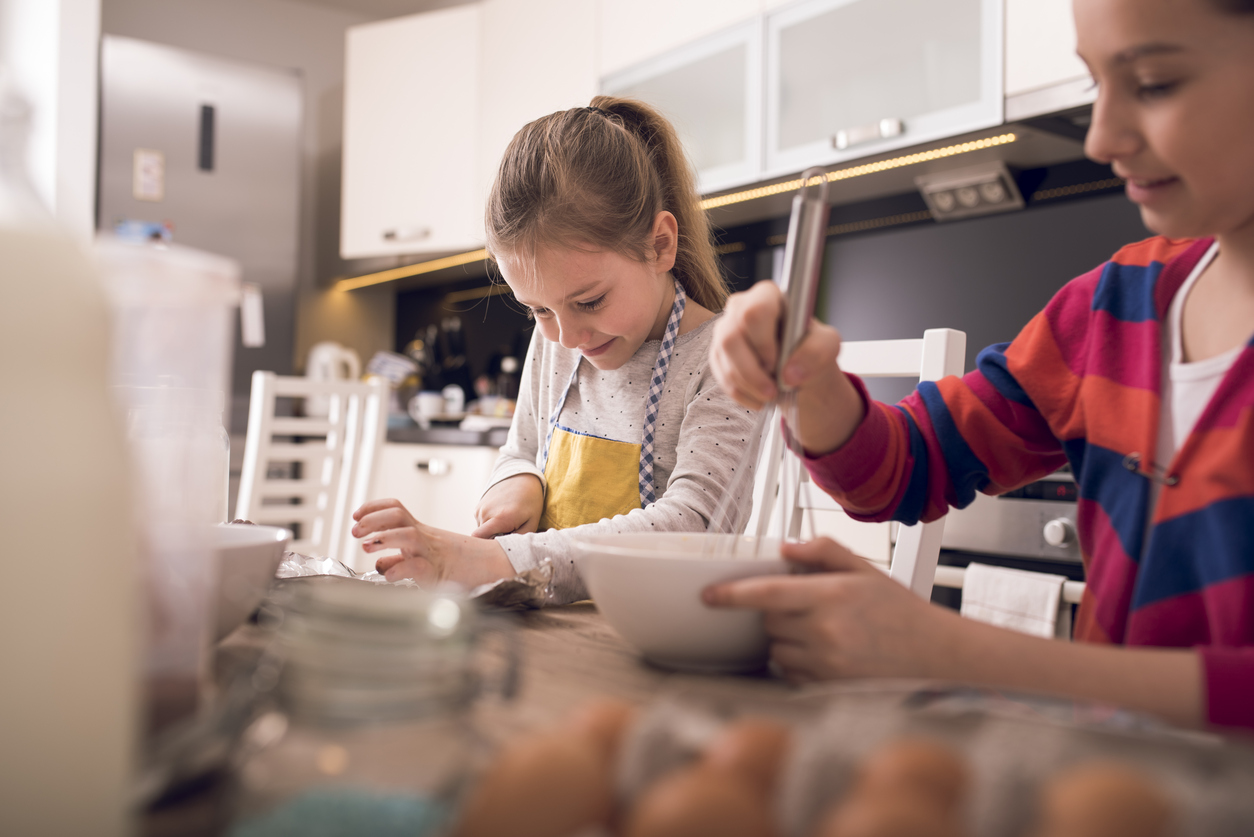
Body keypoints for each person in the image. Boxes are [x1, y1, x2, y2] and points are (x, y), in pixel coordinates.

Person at [704, 0, 1254, 730]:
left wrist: (949, 649)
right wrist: (809, 380)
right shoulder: (1111, 308)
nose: (1100, 137)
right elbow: (907, 467)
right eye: (1094, 85)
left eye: (1153, 82)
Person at [353, 96, 758, 603]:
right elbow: (520, 448)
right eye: (537, 310)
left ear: (659, 245)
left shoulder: (728, 360)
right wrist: (518, 482)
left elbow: (696, 526)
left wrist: (492, 562)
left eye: (589, 301)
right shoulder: (560, 343)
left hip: (664, 630)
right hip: (562, 623)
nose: (566, 337)